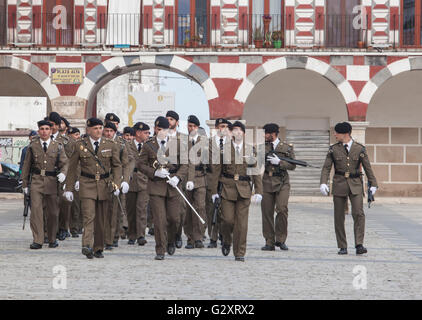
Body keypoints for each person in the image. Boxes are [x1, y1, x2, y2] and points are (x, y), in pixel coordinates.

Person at [64, 118, 122, 259]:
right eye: (95, 128)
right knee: (89, 216)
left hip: (104, 185)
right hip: (87, 184)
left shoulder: (111, 144)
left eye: (100, 128)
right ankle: (87, 245)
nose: (99, 131)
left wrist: (117, 183)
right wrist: (69, 188)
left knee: (101, 219)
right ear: (88, 130)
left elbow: (117, 165)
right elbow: (72, 168)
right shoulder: (79, 145)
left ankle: (98, 248)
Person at [320, 122, 378, 255]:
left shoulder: (359, 149)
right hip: (339, 183)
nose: (334, 134)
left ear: (345, 134)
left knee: (358, 213)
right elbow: (326, 167)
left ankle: (359, 244)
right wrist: (323, 182)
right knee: (339, 216)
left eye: (337, 133)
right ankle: (342, 246)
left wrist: (373, 183)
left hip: (355, 184)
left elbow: (367, 167)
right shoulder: (333, 149)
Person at [210, 121, 263, 262]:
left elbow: (255, 171)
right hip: (227, 188)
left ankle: (240, 252)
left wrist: (259, 191)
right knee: (227, 220)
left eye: (240, 130)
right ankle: (227, 239)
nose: (237, 132)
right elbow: (216, 171)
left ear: (244, 133)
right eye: (234, 130)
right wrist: (214, 191)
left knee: (242, 224)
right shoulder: (223, 150)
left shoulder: (250, 150)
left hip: (244, 189)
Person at [137, 116, 188, 260]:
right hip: (156, 186)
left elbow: (185, 164)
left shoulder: (177, 144)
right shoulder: (148, 145)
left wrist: (178, 177)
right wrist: (154, 172)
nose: (160, 132)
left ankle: (171, 239)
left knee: (174, 219)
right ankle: (160, 249)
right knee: (159, 220)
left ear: (168, 130)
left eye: (163, 129)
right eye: (158, 129)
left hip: (173, 186)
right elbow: (140, 165)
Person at [21, 120, 68, 249]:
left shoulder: (57, 146)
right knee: (36, 212)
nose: (44, 131)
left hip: (52, 182)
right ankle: (38, 239)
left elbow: (65, 163)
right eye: (42, 129)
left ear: (51, 130)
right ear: (38, 130)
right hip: (36, 181)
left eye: (47, 129)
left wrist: (64, 173)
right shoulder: (33, 146)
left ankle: (52, 238)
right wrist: (24, 184)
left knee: (53, 213)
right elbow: (26, 166)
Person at [260, 123, 296, 251]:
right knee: (267, 212)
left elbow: (293, 165)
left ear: (273, 134)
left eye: (266, 133)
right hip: (267, 181)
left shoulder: (286, 148)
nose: (264, 135)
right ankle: (269, 241)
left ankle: (280, 240)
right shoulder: (261, 147)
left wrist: (280, 162)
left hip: (282, 181)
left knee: (282, 209)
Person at [102, 121, 131, 250]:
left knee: (114, 211)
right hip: (102, 180)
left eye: (111, 131)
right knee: (102, 211)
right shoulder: (100, 142)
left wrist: (124, 180)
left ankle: (112, 238)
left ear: (114, 132)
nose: (108, 134)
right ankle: (102, 237)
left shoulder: (121, 144)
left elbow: (126, 163)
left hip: (115, 179)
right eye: (106, 131)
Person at [183, 115, 207, 249]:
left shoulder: (204, 142)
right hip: (186, 177)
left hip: (199, 177)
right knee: (188, 208)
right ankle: (190, 237)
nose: (190, 128)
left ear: (197, 128)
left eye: (193, 126)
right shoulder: (182, 141)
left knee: (199, 207)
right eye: (189, 126)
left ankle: (199, 237)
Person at [126, 122, 150, 246]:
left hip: (144, 181)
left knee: (141, 209)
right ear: (138, 133)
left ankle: (141, 235)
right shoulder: (127, 145)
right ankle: (131, 234)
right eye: (146, 133)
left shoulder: (150, 146)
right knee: (130, 210)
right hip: (130, 181)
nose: (148, 135)